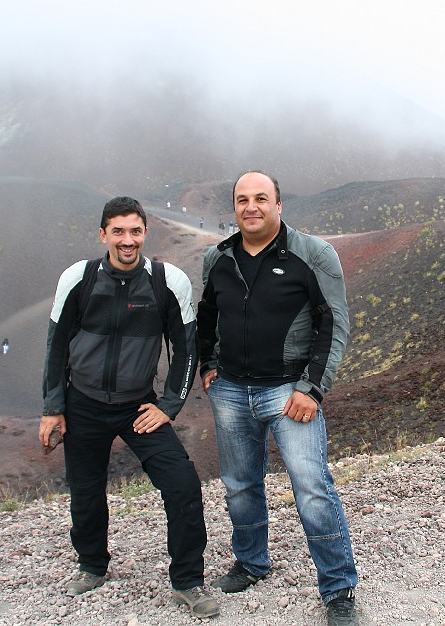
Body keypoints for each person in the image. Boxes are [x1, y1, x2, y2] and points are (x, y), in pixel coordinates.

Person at [39, 196, 219, 619]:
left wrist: (169, 406)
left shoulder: (166, 281)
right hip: (81, 402)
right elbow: (55, 346)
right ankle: (92, 566)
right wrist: (53, 407)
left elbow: (186, 348)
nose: (127, 239)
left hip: (138, 407)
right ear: (103, 234)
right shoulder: (78, 278)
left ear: (145, 233)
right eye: (117, 231)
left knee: (183, 484)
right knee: (85, 491)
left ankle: (188, 581)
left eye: (134, 231)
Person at [197, 171, 359, 626]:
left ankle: (338, 588)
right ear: (235, 207)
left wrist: (312, 388)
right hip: (230, 390)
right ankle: (251, 562)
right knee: (239, 484)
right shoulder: (219, 257)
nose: (251, 207)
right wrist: (208, 365)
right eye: (242, 200)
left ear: (279, 204)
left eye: (261, 198)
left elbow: (334, 324)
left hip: (289, 392)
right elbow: (206, 316)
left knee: (311, 487)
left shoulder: (314, 254)